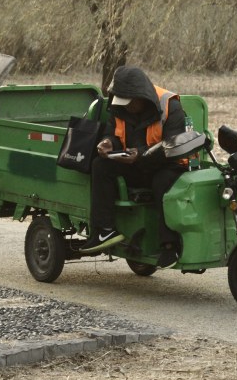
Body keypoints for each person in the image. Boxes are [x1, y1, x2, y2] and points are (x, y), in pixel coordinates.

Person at [79, 65, 186, 269]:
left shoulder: (169, 105)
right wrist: (109, 143)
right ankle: (104, 230)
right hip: (135, 163)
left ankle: (169, 246)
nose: (127, 108)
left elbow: (174, 146)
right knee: (101, 165)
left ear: (141, 96)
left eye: (130, 103)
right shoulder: (120, 107)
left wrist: (141, 154)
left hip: (165, 165)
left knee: (162, 183)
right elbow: (113, 133)